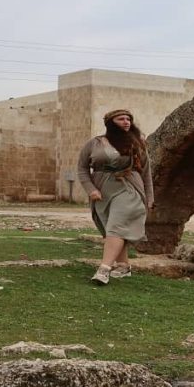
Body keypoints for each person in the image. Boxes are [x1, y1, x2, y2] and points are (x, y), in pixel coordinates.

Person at [77, 109, 153, 284]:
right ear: (110, 122)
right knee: (113, 229)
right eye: (121, 119)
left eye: (128, 119)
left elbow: (146, 172)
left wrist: (150, 197)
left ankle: (104, 269)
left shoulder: (138, 143)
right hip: (102, 190)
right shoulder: (94, 143)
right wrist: (91, 189)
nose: (126, 122)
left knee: (116, 226)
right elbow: (82, 168)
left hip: (129, 189)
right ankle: (123, 266)